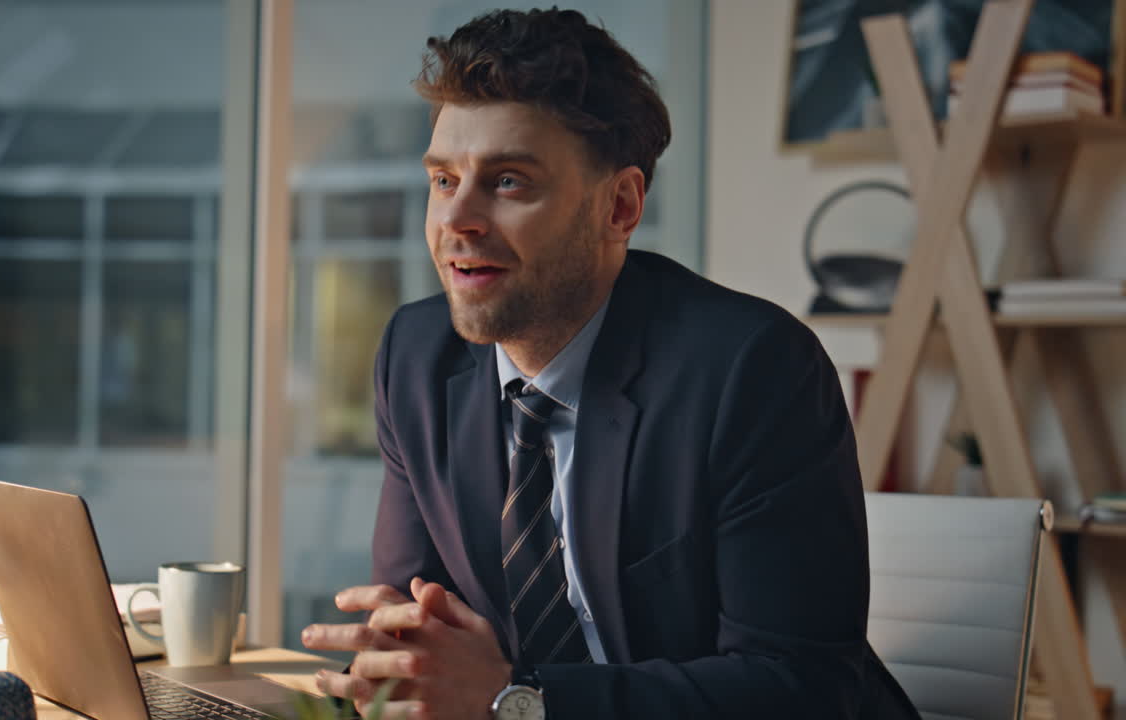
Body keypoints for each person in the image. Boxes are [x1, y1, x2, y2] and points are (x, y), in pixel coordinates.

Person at [301, 8, 920, 719]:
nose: (457, 220)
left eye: (507, 182)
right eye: (443, 180)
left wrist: (518, 701)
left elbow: (799, 689)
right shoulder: (414, 359)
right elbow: (416, 633)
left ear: (620, 206)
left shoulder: (753, 371)